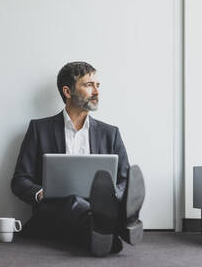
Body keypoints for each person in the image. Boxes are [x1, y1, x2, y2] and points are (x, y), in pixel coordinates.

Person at [11, 61, 145, 257]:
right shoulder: (39, 129)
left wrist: (115, 194)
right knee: (73, 200)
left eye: (98, 85)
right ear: (67, 91)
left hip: (89, 214)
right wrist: (41, 193)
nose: (96, 91)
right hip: (53, 211)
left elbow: (124, 179)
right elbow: (19, 180)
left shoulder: (110, 133)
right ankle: (121, 223)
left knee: (92, 229)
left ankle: (105, 234)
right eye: (89, 85)